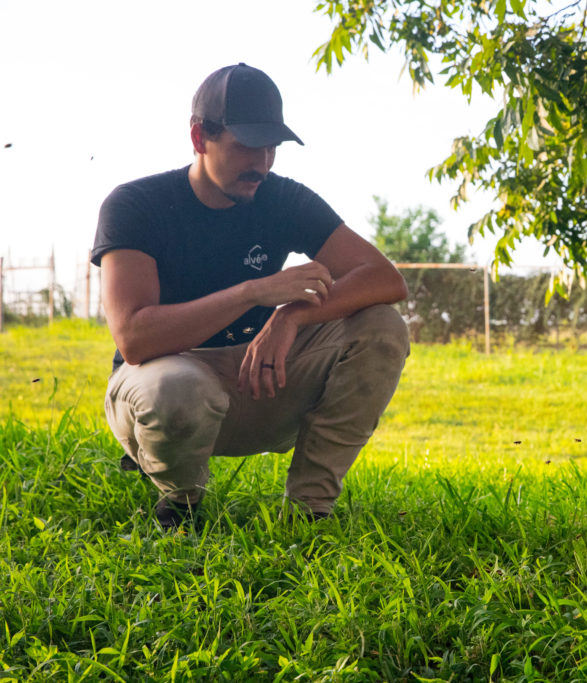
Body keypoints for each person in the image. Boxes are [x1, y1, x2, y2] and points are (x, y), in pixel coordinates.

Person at [91, 63, 410, 529]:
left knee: (382, 326)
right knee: (177, 388)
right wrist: (251, 293)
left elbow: (385, 279)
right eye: (245, 146)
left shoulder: (283, 199)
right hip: (160, 389)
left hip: (255, 377)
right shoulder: (135, 205)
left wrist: (290, 317)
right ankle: (181, 505)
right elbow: (135, 338)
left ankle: (309, 513)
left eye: (271, 148)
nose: (260, 163)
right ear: (200, 138)